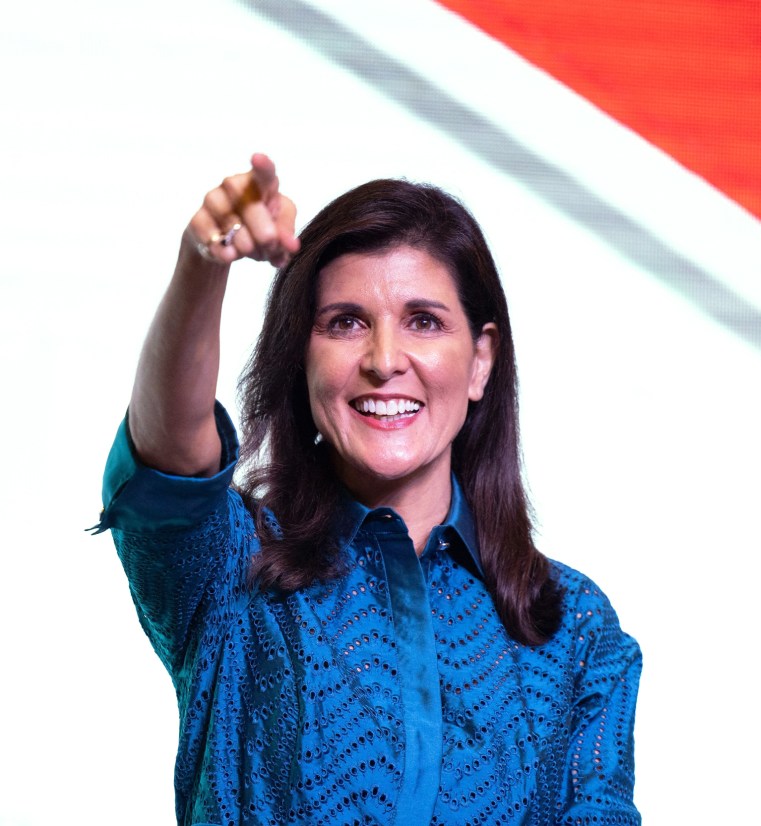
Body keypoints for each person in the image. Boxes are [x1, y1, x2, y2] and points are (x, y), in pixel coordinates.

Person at [95, 154, 641, 825]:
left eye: (424, 321)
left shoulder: (574, 628)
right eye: (346, 322)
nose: (384, 361)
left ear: (480, 361)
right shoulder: (233, 568)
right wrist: (202, 264)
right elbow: (169, 459)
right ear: (303, 359)